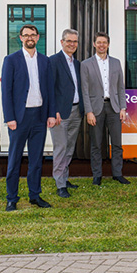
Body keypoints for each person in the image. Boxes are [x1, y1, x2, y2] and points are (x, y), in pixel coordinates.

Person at [0, 24, 54, 211]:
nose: (30, 38)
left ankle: (34, 196)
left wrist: (50, 114)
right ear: (20, 38)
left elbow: (49, 90)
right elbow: (6, 91)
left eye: (33, 35)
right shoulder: (11, 60)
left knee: (36, 159)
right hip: (19, 118)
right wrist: (10, 118)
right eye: (26, 35)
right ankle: (11, 198)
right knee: (14, 159)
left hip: (39, 116)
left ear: (38, 38)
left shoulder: (45, 61)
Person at [80, 32, 131, 185]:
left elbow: (121, 88)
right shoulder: (86, 64)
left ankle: (117, 173)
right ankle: (97, 176)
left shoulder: (116, 63)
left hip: (114, 108)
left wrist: (123, 107)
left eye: (104, 42)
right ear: (94, 44)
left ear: (108, 44)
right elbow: (85, 90)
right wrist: (89, 112)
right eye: (99, 42)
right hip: (96, 109)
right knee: (96, 144)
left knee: (117, 143)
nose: (101, 45)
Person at [48, 28, 84, 198]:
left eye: (75, 41)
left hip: (76, 111)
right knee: (61, 148)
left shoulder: (77, 64)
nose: (72, 44)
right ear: (61, 42)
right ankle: (60, 184)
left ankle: (64, 177)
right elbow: (49, 89)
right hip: (60, 113)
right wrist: (53, 111)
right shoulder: (53, 61)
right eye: (68, 41)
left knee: (69, 147)